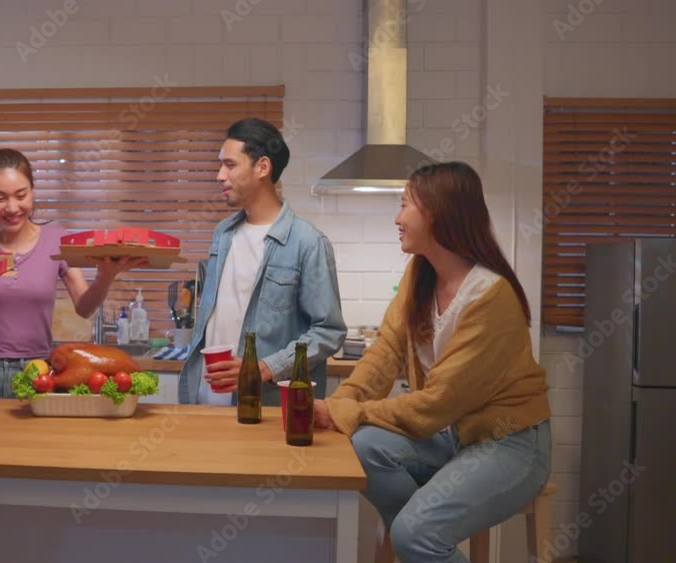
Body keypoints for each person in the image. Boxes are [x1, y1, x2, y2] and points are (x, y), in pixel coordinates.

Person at [313, 162, 551, 562]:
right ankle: (426, 543)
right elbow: (384, 353)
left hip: (511, 443)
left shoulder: (491, 297)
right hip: (454, 435)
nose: (397, 218)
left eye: (405, 205)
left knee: (414, 533)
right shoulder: (419, 274)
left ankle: (422, 539)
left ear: (437, 213)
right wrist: (340, 408)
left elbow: (437, 403)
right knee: (365, 446)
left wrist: (348, 410)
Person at [0, 148, 146, 398]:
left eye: (21, 195)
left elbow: (84, 307)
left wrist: (106, 275)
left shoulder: (56, 238)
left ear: (33, 192)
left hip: (38, 372)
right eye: (0, 197)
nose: (12, 207)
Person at [177, 118, 346, 406]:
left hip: (262, 406)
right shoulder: (223, 234)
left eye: (230, 165)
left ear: (262, 168)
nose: (219, 175)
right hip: (206, 400)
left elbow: (329, 332)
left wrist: (264, 368)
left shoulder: (308, 243)